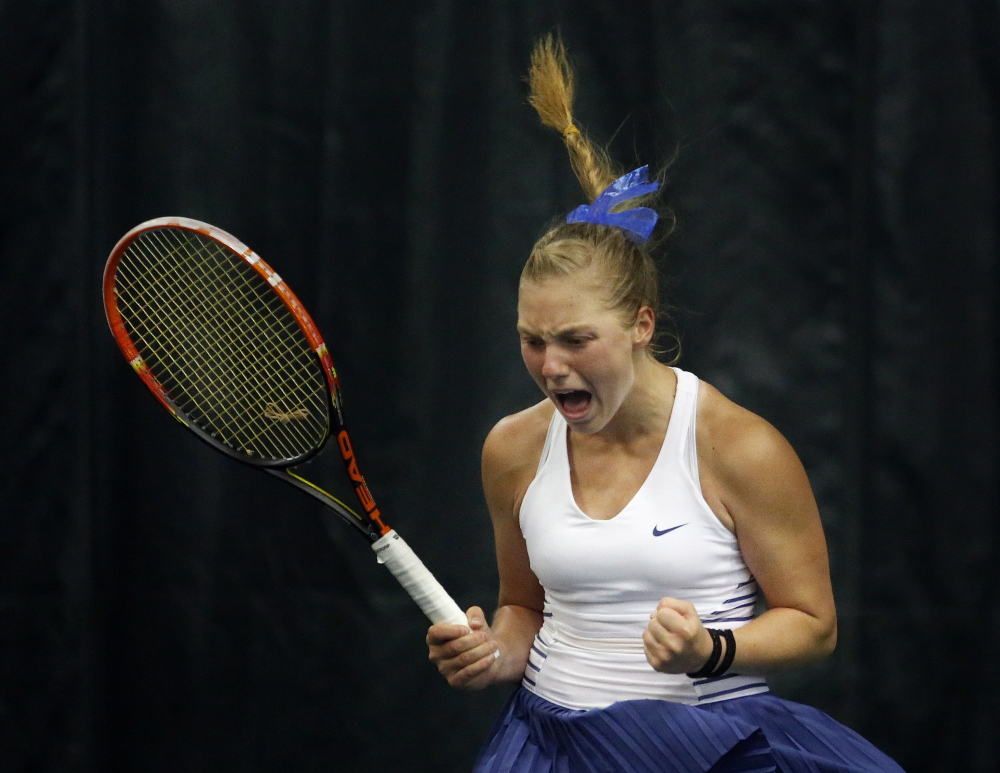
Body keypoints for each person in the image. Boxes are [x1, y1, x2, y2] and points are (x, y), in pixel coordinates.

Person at [426, 35, 904, 773]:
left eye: (576, 340)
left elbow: (814, 625)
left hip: (708, 743)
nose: (551, 367)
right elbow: (523, 606)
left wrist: (712, 649)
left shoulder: (741, 447)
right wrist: (493, 654)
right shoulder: (512, 448)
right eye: (531, 340)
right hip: (545, 746)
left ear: (642, 324)